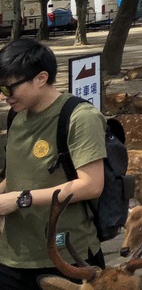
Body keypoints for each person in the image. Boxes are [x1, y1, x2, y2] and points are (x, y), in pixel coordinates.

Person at [0, 39, 106, 288]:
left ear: (40, 78)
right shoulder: (17, 115)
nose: (5, 97)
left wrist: (19, 199)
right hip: (13, 256)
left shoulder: (80, 117)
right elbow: (20, 175)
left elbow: (91, 185)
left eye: (9, 88)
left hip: (66, 258)